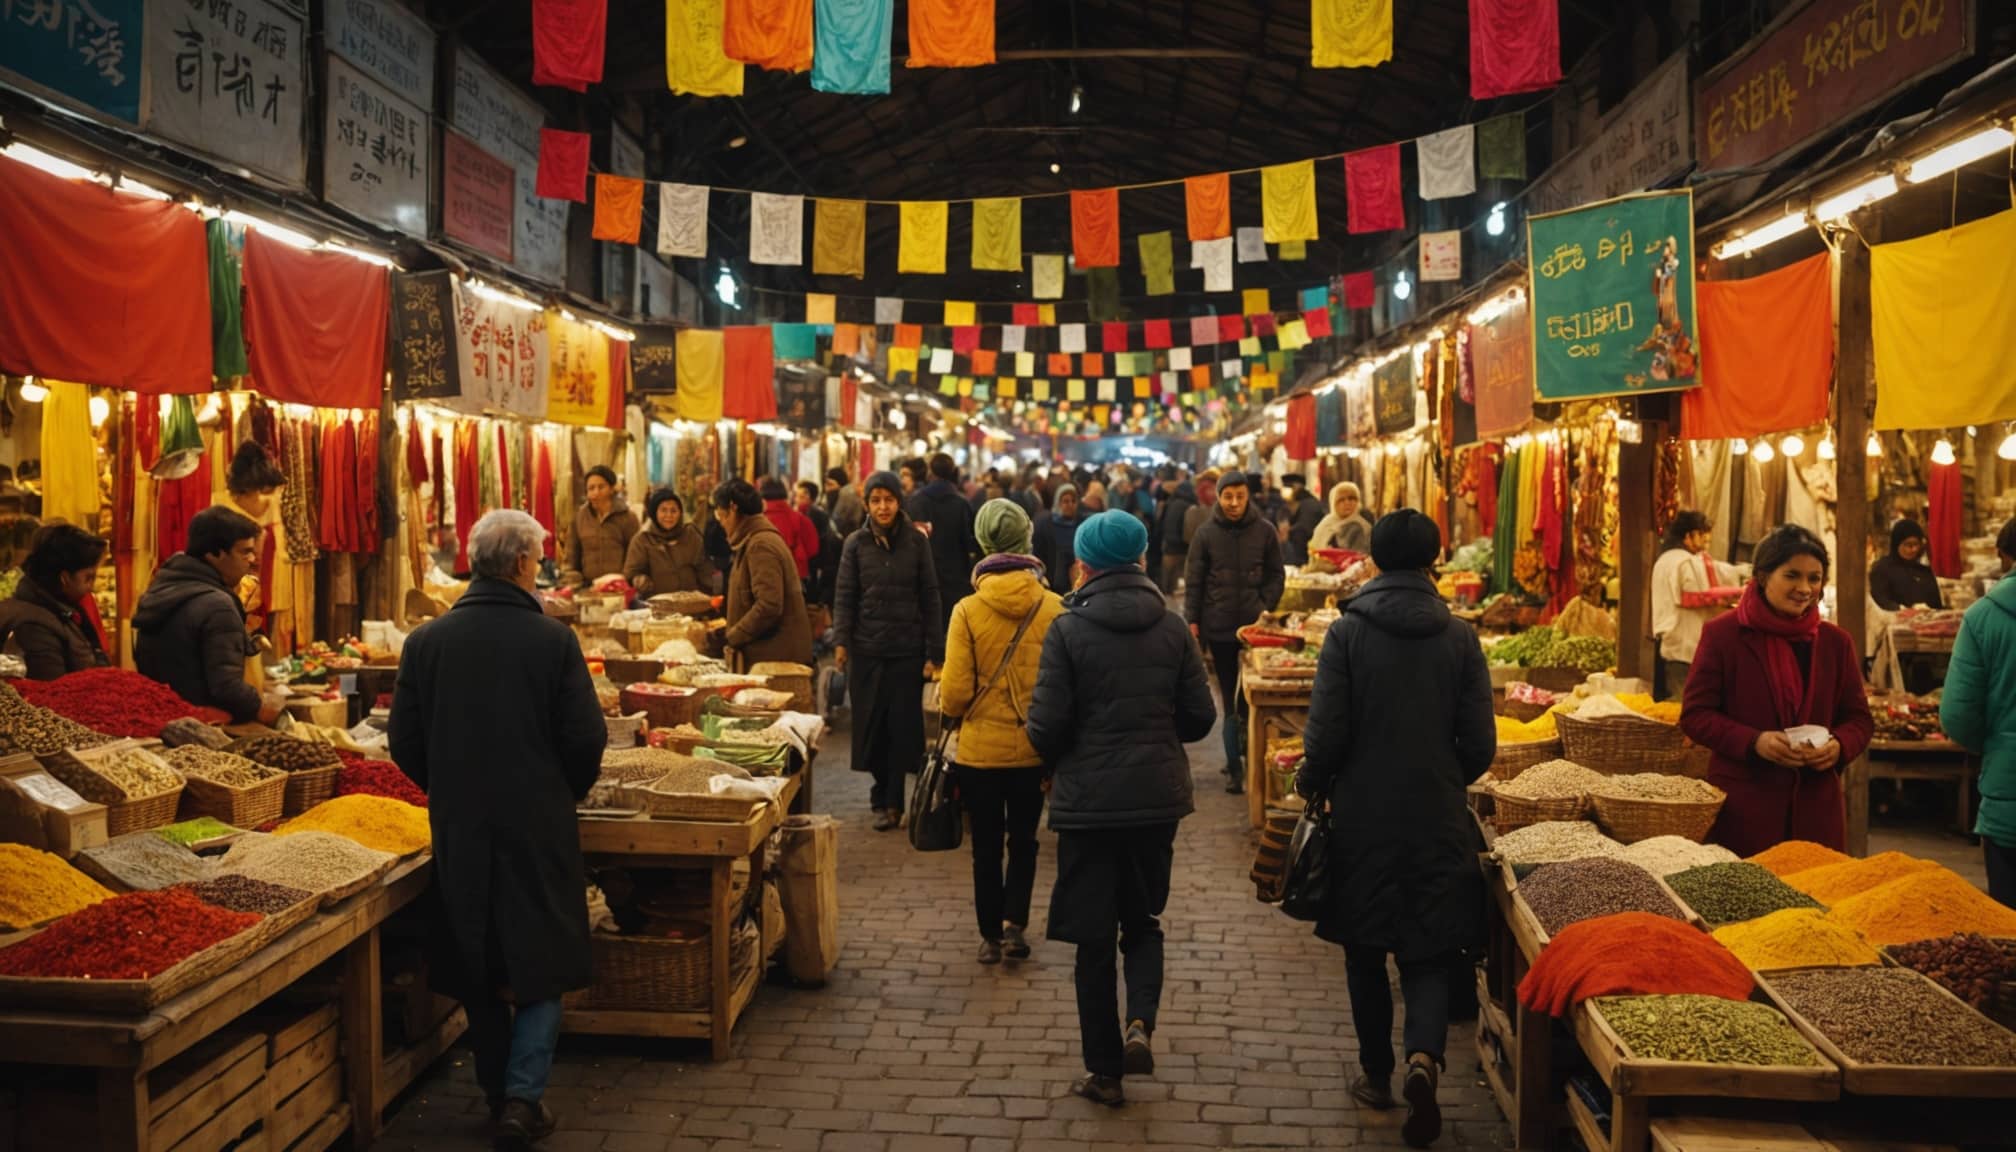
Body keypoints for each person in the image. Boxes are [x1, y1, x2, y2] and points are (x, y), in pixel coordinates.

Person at [388, 510, 606, 1150]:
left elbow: (404, 742)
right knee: (540, 956)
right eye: (536, 559)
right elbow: (585, 739)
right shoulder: (551, 641)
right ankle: (522, 1097)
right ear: (518, 564)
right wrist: (558, 789)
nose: (537, 568)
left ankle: (495, 1089)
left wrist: (452, 787)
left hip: (461, 822)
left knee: (475, 952)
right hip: (538, 820)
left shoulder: (426, 643)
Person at [1296, 510, 1493, 1148]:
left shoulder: (1348, 633)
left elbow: (1324, 736)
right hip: (1435, 812)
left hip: (1361, 813)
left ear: (1374, 560)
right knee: (1428, 949)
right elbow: (1481, 745)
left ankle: (1377, 1074)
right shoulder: (1460, 637)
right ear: (1434, 560)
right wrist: (1442, 774)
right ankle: (1425, 1059)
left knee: (1364, 946)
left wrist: (1316, 780)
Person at [1027, 511, 1215, 1108]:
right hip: (1155, 802)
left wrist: (1046, 749)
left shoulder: (1067, 629)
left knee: (1092, 940)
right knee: (1143, 921)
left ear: (1083, 563)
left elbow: (1048, 725)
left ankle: (1104, 1071)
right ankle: (1141, 1022)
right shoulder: (1172, 627)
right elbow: (1201, 719)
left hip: (1087, 805)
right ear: (1139, 559)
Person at [1682, 525, 1874, 857]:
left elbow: (1859, 720)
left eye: (1814, 579)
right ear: (1762, 575)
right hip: (1746, 811)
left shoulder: (1835, 643)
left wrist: (1839, 746)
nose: (1805, 588)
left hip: (1817, 812)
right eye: (1792, 576)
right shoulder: (1723, 636)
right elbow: (1696, 715)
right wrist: (1755, 742)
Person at [939, 500, 1065, 962]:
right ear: (1026, 541)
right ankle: (1017, 925)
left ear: (983, 542)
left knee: (986, 846)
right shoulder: (1055, 607)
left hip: (980, 754)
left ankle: (990, 935)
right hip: (1035, 748)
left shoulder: (967, 610)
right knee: (1025, 840)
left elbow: (953, 696)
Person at [834, 472, 943, 831]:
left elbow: (930, 596)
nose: (883, 507)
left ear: (899, 502)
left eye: (889, 500)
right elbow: (845, 595)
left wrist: (934, 651)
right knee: (871, 727)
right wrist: (840, 642)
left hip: (906, 650)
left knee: (901, 728)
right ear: (867, 504)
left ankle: (892, 801)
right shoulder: (855, 543)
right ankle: (880, 794)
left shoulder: (916, 542)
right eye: (876, 500)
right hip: (867, 651)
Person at [1185, 471, 1286, 795]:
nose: (1233, 503)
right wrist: (1194, 622)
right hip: (1221, 629)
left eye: (1239, 496)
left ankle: (1249, 756)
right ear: (1218, 496)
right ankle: (1235, 767)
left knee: (1250, 699)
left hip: (1257, 631)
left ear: (1248, 497)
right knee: (1229, 697)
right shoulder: (1205, 534)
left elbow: (1276, 574)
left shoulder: (1265, 532)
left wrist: (1264, 604)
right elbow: (1195, 583)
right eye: (1228, 496)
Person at [133, 506, 277, 725]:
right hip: (207, 724)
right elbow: (226, 686)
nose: (253, 559)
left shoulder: (162, 588)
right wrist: (261, 709)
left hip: (164, 719)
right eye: (244, 551)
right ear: (215, 554)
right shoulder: (218, 605)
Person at [1940, 524, 2016, 905]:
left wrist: (1996, 745)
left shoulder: (1984, 617)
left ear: (2005, 555)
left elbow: (1958, 716)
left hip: (2009, 793)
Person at [712, 479, 815, 670]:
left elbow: (769, 605)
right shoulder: (752, 539)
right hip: (767, 657)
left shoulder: (760, 545)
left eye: (721, 516)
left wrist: (733, 636)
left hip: (774, 660)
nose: (722, 524)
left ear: (733, 509)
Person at [1650, 512, 1742, 701]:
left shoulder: (1665, 560)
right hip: (1685, 644)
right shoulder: (1684, 561)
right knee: (1689, 704)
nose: (1707, 539)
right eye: (1702, 534)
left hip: (1672, 641)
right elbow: (1694, 597)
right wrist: (1739, 593)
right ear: (1689, 536)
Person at [0, 522, 109, 679]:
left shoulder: (63, 610)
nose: (91, 586)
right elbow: (52, 692)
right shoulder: (34, 626)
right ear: (64, 578)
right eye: (89, 577)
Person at [215, 441, 286, 635]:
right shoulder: (221, 503)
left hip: (262, 579)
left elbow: (280, 548)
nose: (257, 493)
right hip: (229, 582)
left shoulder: (271, 504)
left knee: (254, 635)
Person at [907, 453, 978, 636]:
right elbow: (972, 545)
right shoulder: (963, 504)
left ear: (930, 472)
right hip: (957, 583)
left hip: (922, 582)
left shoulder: (916, 502)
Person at [623, 488, 711, 598]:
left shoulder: (691, 535)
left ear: (680, 513)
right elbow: (631, 573)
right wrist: (640, 581)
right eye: (663, 510)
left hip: (690, 602)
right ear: (655, 513)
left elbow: (704, 567)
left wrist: (709, 594)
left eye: (673, 510)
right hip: (656, 605)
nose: (669, 515)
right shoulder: (642, 539)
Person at [567, 465, 639, 585]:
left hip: (618, 586)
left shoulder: (628, 517)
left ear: (611, 489)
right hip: (588, 587)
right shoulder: (580, 517)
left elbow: (634, 557)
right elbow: (572, 554)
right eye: (591, 488)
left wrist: (625, 580)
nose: (596, 492)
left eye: (601, 487)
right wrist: (571, 578)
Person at [1869, 519, 1944, 611]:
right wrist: (1904, 610)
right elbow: (1880, 600)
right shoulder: (1882, 569)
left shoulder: (1924, 571)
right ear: (1897, 544)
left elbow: (1936, 604)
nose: (1913, 549)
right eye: (1908, 545)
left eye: (1916, 544)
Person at [760, 477, 820, 584]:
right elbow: (813, 549)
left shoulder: (758, 521)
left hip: (765, 575)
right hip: (795, 575)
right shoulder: (801, 519)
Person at [797, 480, 842, 608]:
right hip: (821, 563)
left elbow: (814, 542)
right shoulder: (812, 512)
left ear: (808, 497)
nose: (796, 500)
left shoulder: (814, 514)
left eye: (799, 496)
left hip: (820, 563)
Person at [1031, 483, 1084, 591]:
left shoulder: (1081, 524)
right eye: (1065, 501)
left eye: (1073, 501)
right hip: (1051, 580)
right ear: (1057, 503)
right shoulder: (1045, 524)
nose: (1070, 504)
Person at [1155, 479, 1197, 595]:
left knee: (1168, 579)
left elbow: (1163, 524)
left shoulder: (1171, 503)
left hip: (1169, 545)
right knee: (1181, 580)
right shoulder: (1190, 506)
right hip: (1183, 546)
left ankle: (1166, 601)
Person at [1310, 482, 1373, 555]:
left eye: (1351, 498)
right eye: (1341, 500)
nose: (1347, 503)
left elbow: (1359, 556)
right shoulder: (1326, 523)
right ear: (1333, 503)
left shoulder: (1362, 527)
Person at [1282, 476, 1325, 567]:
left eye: (1288, 488)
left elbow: (1304, 530)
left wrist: (1289, 532)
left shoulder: (1308, 505)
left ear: (1297, 487)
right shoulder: (1302, 502)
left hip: (1307, 554)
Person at [825, 468, 866, 538]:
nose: (827, 489)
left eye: (830, 484)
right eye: (826, 484)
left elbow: (836, 522)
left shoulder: (846, 495)